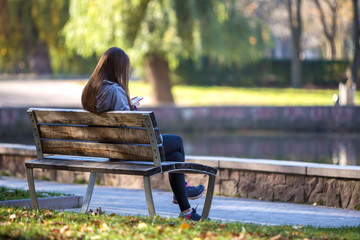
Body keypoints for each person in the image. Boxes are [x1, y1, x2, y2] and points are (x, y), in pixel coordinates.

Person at [81, 47, 205, 221]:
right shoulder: (115, 91)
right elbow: (129, 129)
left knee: (176, 155)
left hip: (110, 151)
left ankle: (186, 211)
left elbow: (115, 118)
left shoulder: (90, 91)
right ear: (118, 68)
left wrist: (128, 108)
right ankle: (182, 191)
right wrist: (132, 110)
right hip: (128, 151)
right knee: (177, 142)